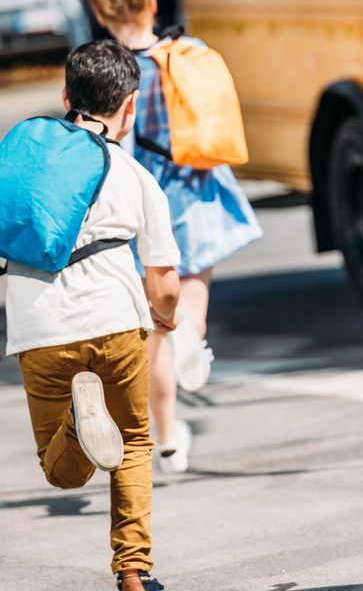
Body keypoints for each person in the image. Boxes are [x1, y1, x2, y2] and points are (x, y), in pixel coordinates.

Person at [3, 40, 182, 591]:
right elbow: (165, 282)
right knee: (132, 441)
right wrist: (164, 319)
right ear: (130, 105)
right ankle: (135, 573)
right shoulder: (134, 175)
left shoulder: (23, 168)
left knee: (60, 471)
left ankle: (80, 431)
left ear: (65, 96)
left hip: (41, 328)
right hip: (116, 321)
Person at [85, 0, 263, 472]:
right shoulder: (190, 52)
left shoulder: (105, 70)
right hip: (193, 189)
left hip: (135, 200)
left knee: (152, 330)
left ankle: (166, 442)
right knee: (192, 293)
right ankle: (193, 333)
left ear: (101, 13)